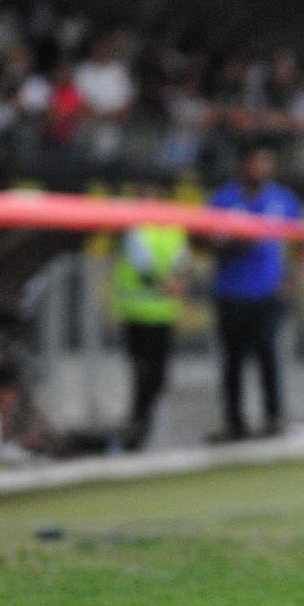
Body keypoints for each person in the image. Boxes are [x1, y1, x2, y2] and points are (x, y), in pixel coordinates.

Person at [207, 140, 304, 441]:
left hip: (267, 293)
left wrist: (292, 278)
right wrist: (231, 246)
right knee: (233, 359)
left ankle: (273, 417)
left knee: (267, 351)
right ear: (243, 164)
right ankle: (234, 422)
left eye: (266, 162)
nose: (262, 168)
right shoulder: (223, 200)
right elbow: (200, 238)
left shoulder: (282, 199)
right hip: (230, 291)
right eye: (256, 161)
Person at [112, 191, 189, 449]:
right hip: (136, 312)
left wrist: (177, 282)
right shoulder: (137, 229)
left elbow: (182, 263)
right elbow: (141, 265)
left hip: (163, 314)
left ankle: (141, 421)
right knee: (141, 371)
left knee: (158, 375)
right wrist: (167, 283)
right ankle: (138, 423)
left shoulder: (174, 230)